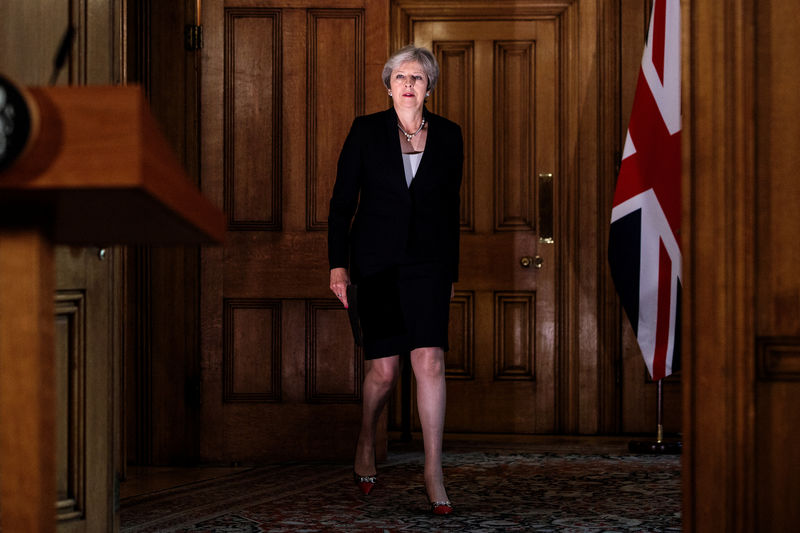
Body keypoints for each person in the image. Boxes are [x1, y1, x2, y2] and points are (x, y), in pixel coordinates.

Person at [328, 45, 463, 516]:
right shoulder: (365, 132)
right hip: (375, 263)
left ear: (429, 88)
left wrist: (451, 271)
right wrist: (337, 265)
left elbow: (451, 210)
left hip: (428, 264)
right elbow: (342, 203)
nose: (409, 84)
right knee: (383, 372)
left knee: (429, 361)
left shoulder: (449, 135)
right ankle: (367, 434)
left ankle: (432, 470)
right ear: (389, 86)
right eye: (401, 77)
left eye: (418, 78)